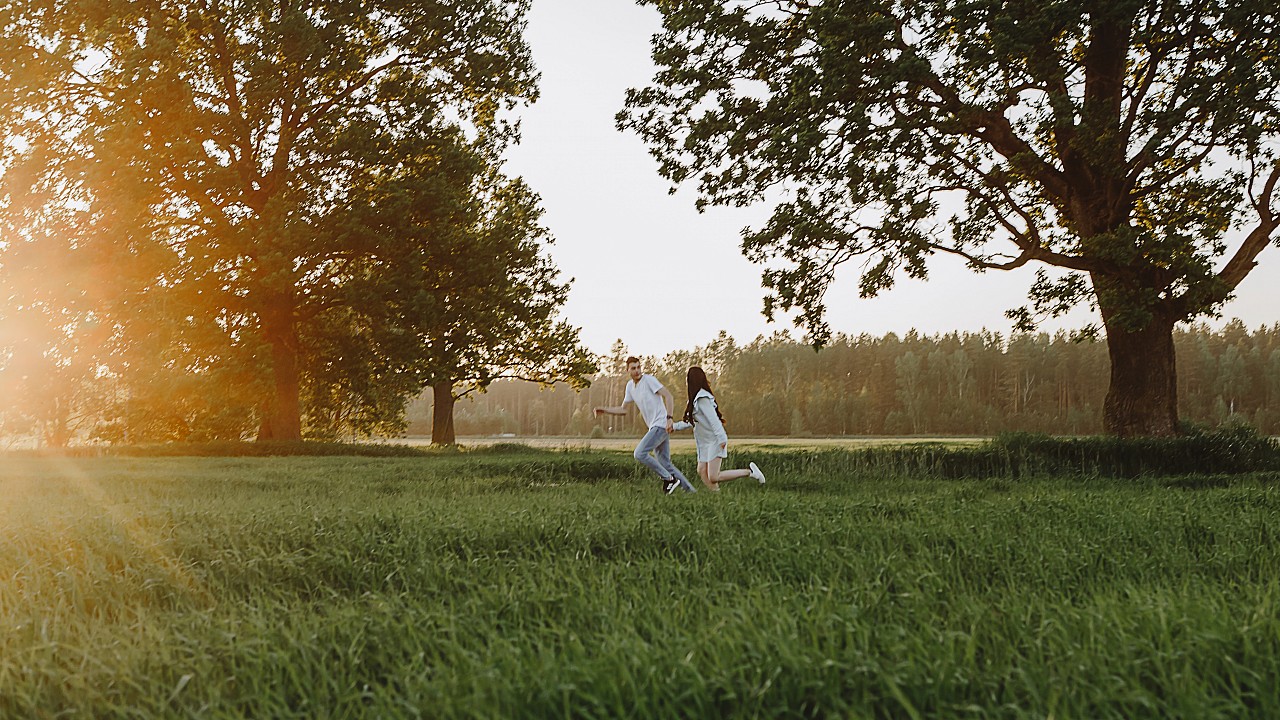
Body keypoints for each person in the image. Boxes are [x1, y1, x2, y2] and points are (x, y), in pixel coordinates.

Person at [594, 356, 696, 495]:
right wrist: (604, 410)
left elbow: (669, 396)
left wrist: (669, 419)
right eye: (633, 368)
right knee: (665, 464)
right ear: (627, 370)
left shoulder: (649, 380)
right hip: (655, 426)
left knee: (639, 453)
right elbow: (623, 410)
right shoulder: (630, 386)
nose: (637, 371)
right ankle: (690, 492)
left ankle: (668, 479)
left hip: (660, 424)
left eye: (638, 367)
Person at [674, 366, 765, 492]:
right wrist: (673, 427)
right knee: (701, 470)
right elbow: (691, 422)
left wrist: (722, 439)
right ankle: (716, 496)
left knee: (713, 476)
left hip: (715, 440)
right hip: (705, 442)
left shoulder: (702, 398)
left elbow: (714, 421)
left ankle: (749, 472)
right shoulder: (694, 399)